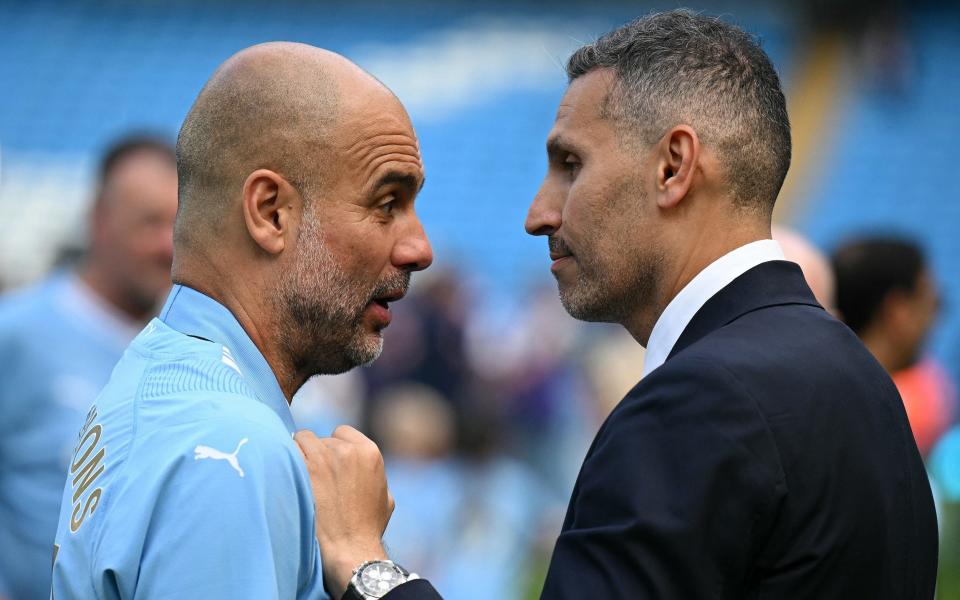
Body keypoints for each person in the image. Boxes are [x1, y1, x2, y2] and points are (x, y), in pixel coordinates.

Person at [296, 10, 938, 599]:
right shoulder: (858, 376)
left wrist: (364, 564)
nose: (537, 214)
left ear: (673, 168)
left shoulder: (698, 402)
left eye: (570, 165)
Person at [50, 42, 432, 598]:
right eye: (386, 203)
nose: (419, 248)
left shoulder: (163, 372)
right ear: (270, 212)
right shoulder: (231, 449)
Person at [0, 135, 177, 600]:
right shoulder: (16, 335)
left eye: (178, 226)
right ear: (98, 221)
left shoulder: (190, 349)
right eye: (149, 223)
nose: (167, 245)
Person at [832, 236, 954, 456]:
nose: (934, 318)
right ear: (898, 312)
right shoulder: (903, 419)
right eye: (933, 303)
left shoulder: (822, 401)